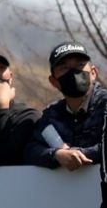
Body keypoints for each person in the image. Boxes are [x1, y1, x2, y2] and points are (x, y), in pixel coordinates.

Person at [25, 42, 106, 170]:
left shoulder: (104, 105)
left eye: (80, 65)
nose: (73, 73)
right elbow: (31, 151)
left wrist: (76, 154)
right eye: (64, 68)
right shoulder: (51, 115)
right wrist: (56, 154)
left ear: (93, 73)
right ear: (53, 81)